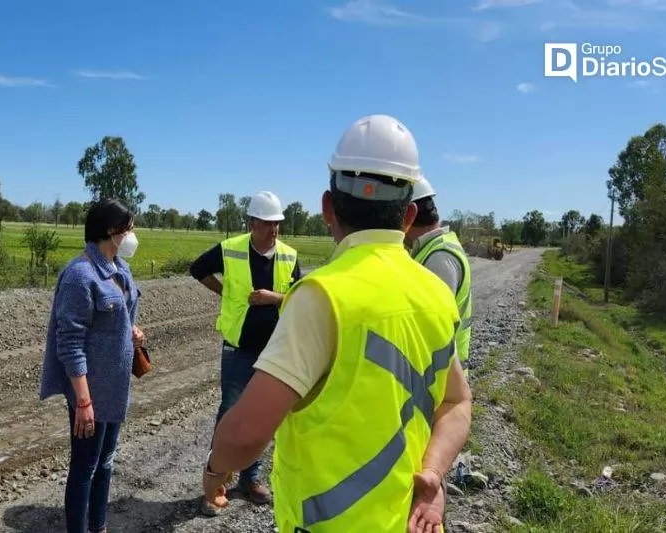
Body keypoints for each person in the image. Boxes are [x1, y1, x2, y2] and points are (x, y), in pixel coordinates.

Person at [202, 114, 473, 532]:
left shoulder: (321, 296)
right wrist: (433, 474)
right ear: (408, 215)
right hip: (402, 520)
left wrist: (215, 469)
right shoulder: (435, 293)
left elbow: (246, 433)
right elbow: (457, 402)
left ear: (328, 208)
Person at [189, 190, 302, 513]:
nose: (274, 229)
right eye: (267, 223)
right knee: (230, 412)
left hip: (274, 350)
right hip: (238, 349)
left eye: (277, 223)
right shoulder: (231, 250)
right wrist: (224, 291)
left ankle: (250, 479)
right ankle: (215, 484)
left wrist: (274, 298)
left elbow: (299, 297)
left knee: (264, 417)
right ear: (252, 222)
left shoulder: (289, 256)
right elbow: (197, 268)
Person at [39, 198, 145, 533]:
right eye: (128, 228)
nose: (132, 234)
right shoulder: (79, 275)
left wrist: (131, 333)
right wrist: (83, 402)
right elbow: (69, 343)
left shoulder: (119, 269)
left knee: (106, 462)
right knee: (85, 467)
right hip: (90, 394)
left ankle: (98, 526)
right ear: (112, 232)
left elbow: (114, 318)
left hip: (114, 390)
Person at [404, 175, 473, 379]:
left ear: (408, 215)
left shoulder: (439, 258)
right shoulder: (436, 248)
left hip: (441, 382)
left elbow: (427, 331)